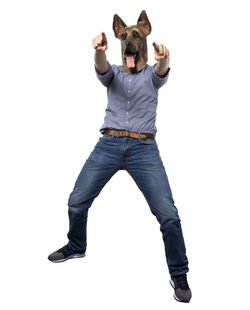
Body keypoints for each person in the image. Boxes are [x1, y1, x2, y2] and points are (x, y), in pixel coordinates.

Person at [48, 11, 192, 303]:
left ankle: (179, 273)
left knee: (168, 214)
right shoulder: (112, 72)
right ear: (118, 39)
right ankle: (76, 245)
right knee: (77, 201)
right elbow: (101, 68)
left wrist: (164, 58)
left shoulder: (152, 76)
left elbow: (162, 68)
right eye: (124, 35)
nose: (129, 40)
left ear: (146, 35)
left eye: (135, 35)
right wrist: (98, 52)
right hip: (109, 145)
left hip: (143, 149)